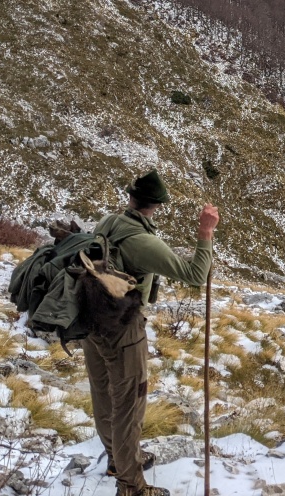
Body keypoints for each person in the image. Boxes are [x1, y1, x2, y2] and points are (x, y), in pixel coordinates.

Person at [84, 169, 218, 496]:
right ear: (157, 205)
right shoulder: (141, 242)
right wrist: (205, 232)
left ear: (131, 198)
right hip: (123, 328)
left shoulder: (108, 222)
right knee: (129, 403)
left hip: (93, 321)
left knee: (104, 394)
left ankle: (118, 459)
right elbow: (195, 274)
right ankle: (131, 486)